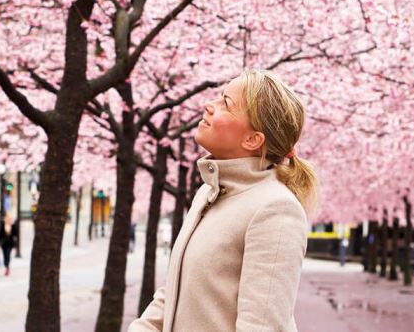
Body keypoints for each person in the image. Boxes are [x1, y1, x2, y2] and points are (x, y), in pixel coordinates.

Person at [129, 69, 318, 332]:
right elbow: (176, 291)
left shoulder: (276, 209)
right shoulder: (208, 194)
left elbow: (261, 327)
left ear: (253, 139)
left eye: (225, 104)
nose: (208, 106)